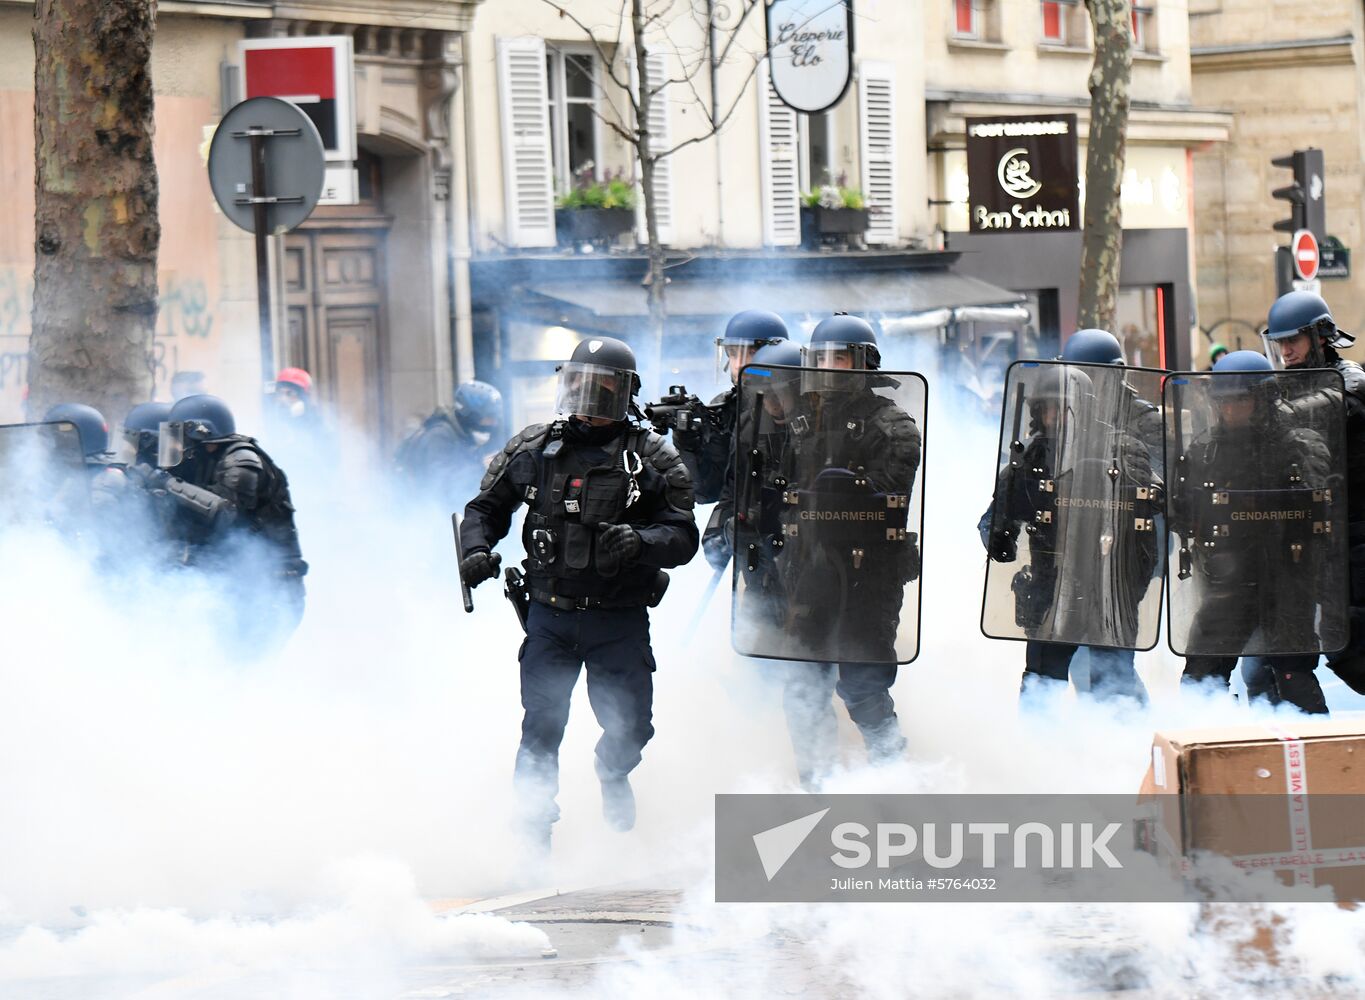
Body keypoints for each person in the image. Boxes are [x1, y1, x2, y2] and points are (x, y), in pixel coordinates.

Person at [459, 337, 698, 850]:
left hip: (618, 619)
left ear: (625, 392)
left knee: (632, 728)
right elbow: (483, 510)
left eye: (602, 387)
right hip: (550, 616)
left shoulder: (651, 458)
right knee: (541, 728)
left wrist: (640, 541)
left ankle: (613, 773)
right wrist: (476, 551)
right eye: (578, 384)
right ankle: (532, 833)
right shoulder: (535, 449)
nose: (587, 398)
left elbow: (683, 537)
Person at [759, 315, 921, 778]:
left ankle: (896, 785)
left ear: (864, 363)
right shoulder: (799, 424)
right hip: (809, 573)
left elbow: (889, 500)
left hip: (869, 575)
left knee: (865, 690)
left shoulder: (894, 426)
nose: (830, 367)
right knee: (804, 689)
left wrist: (846, 489)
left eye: (840, 357)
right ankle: (819, 787)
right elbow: (777, 490)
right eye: (821, 358)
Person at [979, 356, 1157, 703]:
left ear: (1086, 411)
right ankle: (1040, 755)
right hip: (1051, 591)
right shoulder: (1030, 462)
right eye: (1050, 410)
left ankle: (1127, 752)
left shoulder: (1122, 451)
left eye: (1067, 410)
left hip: (1108, 588)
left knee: (1114, 691)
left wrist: (1129, 589)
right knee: (1040, 689)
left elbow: (1146, 522)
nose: (1057, 419)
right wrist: (1001, 530)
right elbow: (995, 526)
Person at [1173, 351, 1335, 713]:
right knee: (1200, 680)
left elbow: (1318, 509)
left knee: (1294, 682)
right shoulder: (1205, 450)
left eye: (1240, 401)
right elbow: (1182, 514)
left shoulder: (1298, 445)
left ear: (1263, 399)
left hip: (1286, 581)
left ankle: (1317, 764)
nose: (1230, 411)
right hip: (1228, 583)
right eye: (1223, 402)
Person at [1261, 290, 1365, 697]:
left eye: (1294, 340)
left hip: (1355, 534)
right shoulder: (1283, 387)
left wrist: (1272, 415)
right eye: (1280, 342)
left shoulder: (1351, 379)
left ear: (1321, 336)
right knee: (1285, 657)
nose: (1285, 351)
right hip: (1304, 537)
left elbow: (1331, 400)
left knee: (1350, 648)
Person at [147, 394, 308, 649]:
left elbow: (228, 513)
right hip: (243, 585)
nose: (178, 445)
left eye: (181, 436)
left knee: (239, 668)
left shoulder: (242, 459)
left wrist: (168, 484)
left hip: (274, 588)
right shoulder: (206, 461)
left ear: (200, 433)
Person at [1050, 329, 1157, 706]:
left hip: (1121, 556)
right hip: (1074, 550)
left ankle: (1131, 739)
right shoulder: (1064, 413)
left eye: (1090, 375)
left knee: (1111, 663)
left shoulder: (1144, 420)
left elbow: (1156, 492)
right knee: (1082, 664)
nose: (1083, 384)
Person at [662, 310, 789, 505]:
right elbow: (707, 491)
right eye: (733, 353)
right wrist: (688, 446)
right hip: (739, 524)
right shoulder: (726, 407)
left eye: (751, 353)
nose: (738, 365)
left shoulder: (796, 404)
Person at [395, 380, 503, 502]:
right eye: (489, 417)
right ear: (472, 416)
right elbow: (441, 482)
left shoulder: (464, 435)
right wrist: (480, 467)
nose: (494, 423)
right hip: (426, 511)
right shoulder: (439, 436)